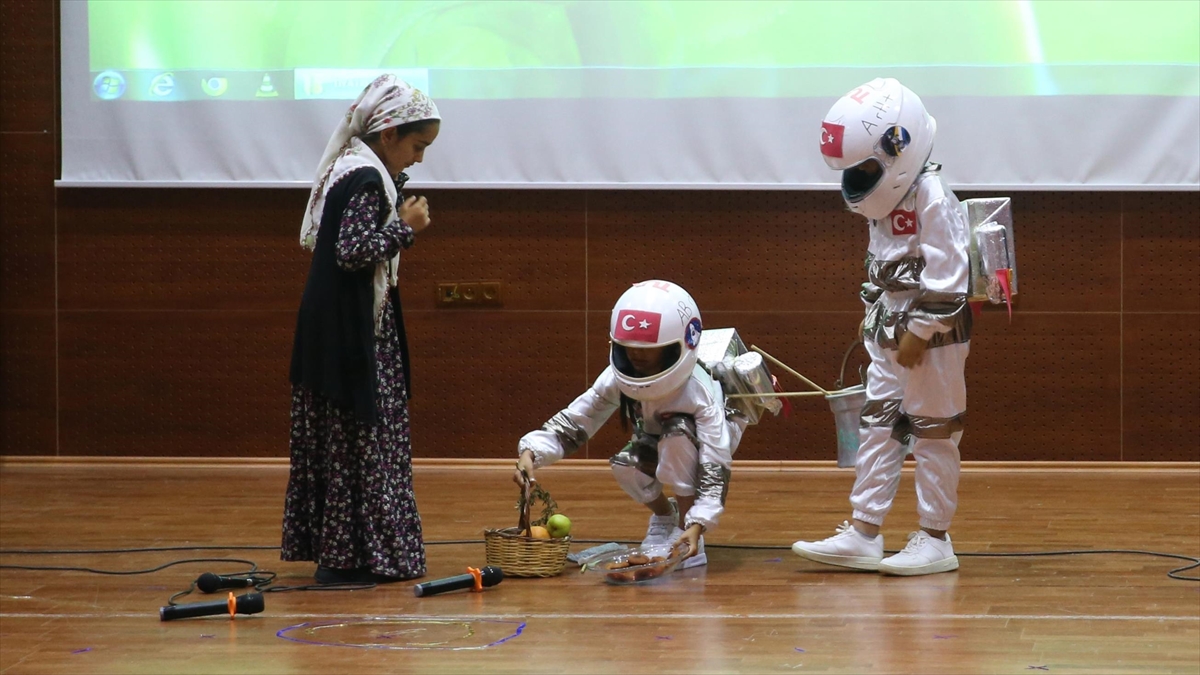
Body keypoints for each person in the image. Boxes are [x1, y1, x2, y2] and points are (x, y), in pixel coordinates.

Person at [792, 78, 971, 576]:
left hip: (931, 339)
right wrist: (874, 310)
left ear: (899, 146)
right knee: (878, 426)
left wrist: (920, 332)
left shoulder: (932, 195)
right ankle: (864, 531)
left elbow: (951, 277)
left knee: (933, 430)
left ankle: (936, 537)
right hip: (887, 332)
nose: (859, 179)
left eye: (867, 168)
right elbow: (882, 262)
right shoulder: (889, 201)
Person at [281, 75, 440, 584]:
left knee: (349, 443)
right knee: (363, 439)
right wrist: (405, 229)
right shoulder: (366, 179)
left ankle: (347, 556)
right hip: (350, 336)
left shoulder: (352, 168)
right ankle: (359, 559)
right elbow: (351, 253)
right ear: (388, 134)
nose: (418, 159)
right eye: (416, 146)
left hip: (341, 329)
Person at [513, 280, 749, 568]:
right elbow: (580, 417)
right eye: (627, 347)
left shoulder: (699, 392)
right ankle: (666, 517)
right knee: (626, 464)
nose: (636, 355)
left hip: (706, 439)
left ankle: (690, 537)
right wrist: (532, 453)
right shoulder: (617, 376)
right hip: (659, 437)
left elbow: (715, 461)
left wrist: (700, 522)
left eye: (649, 348)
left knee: (676, 434)